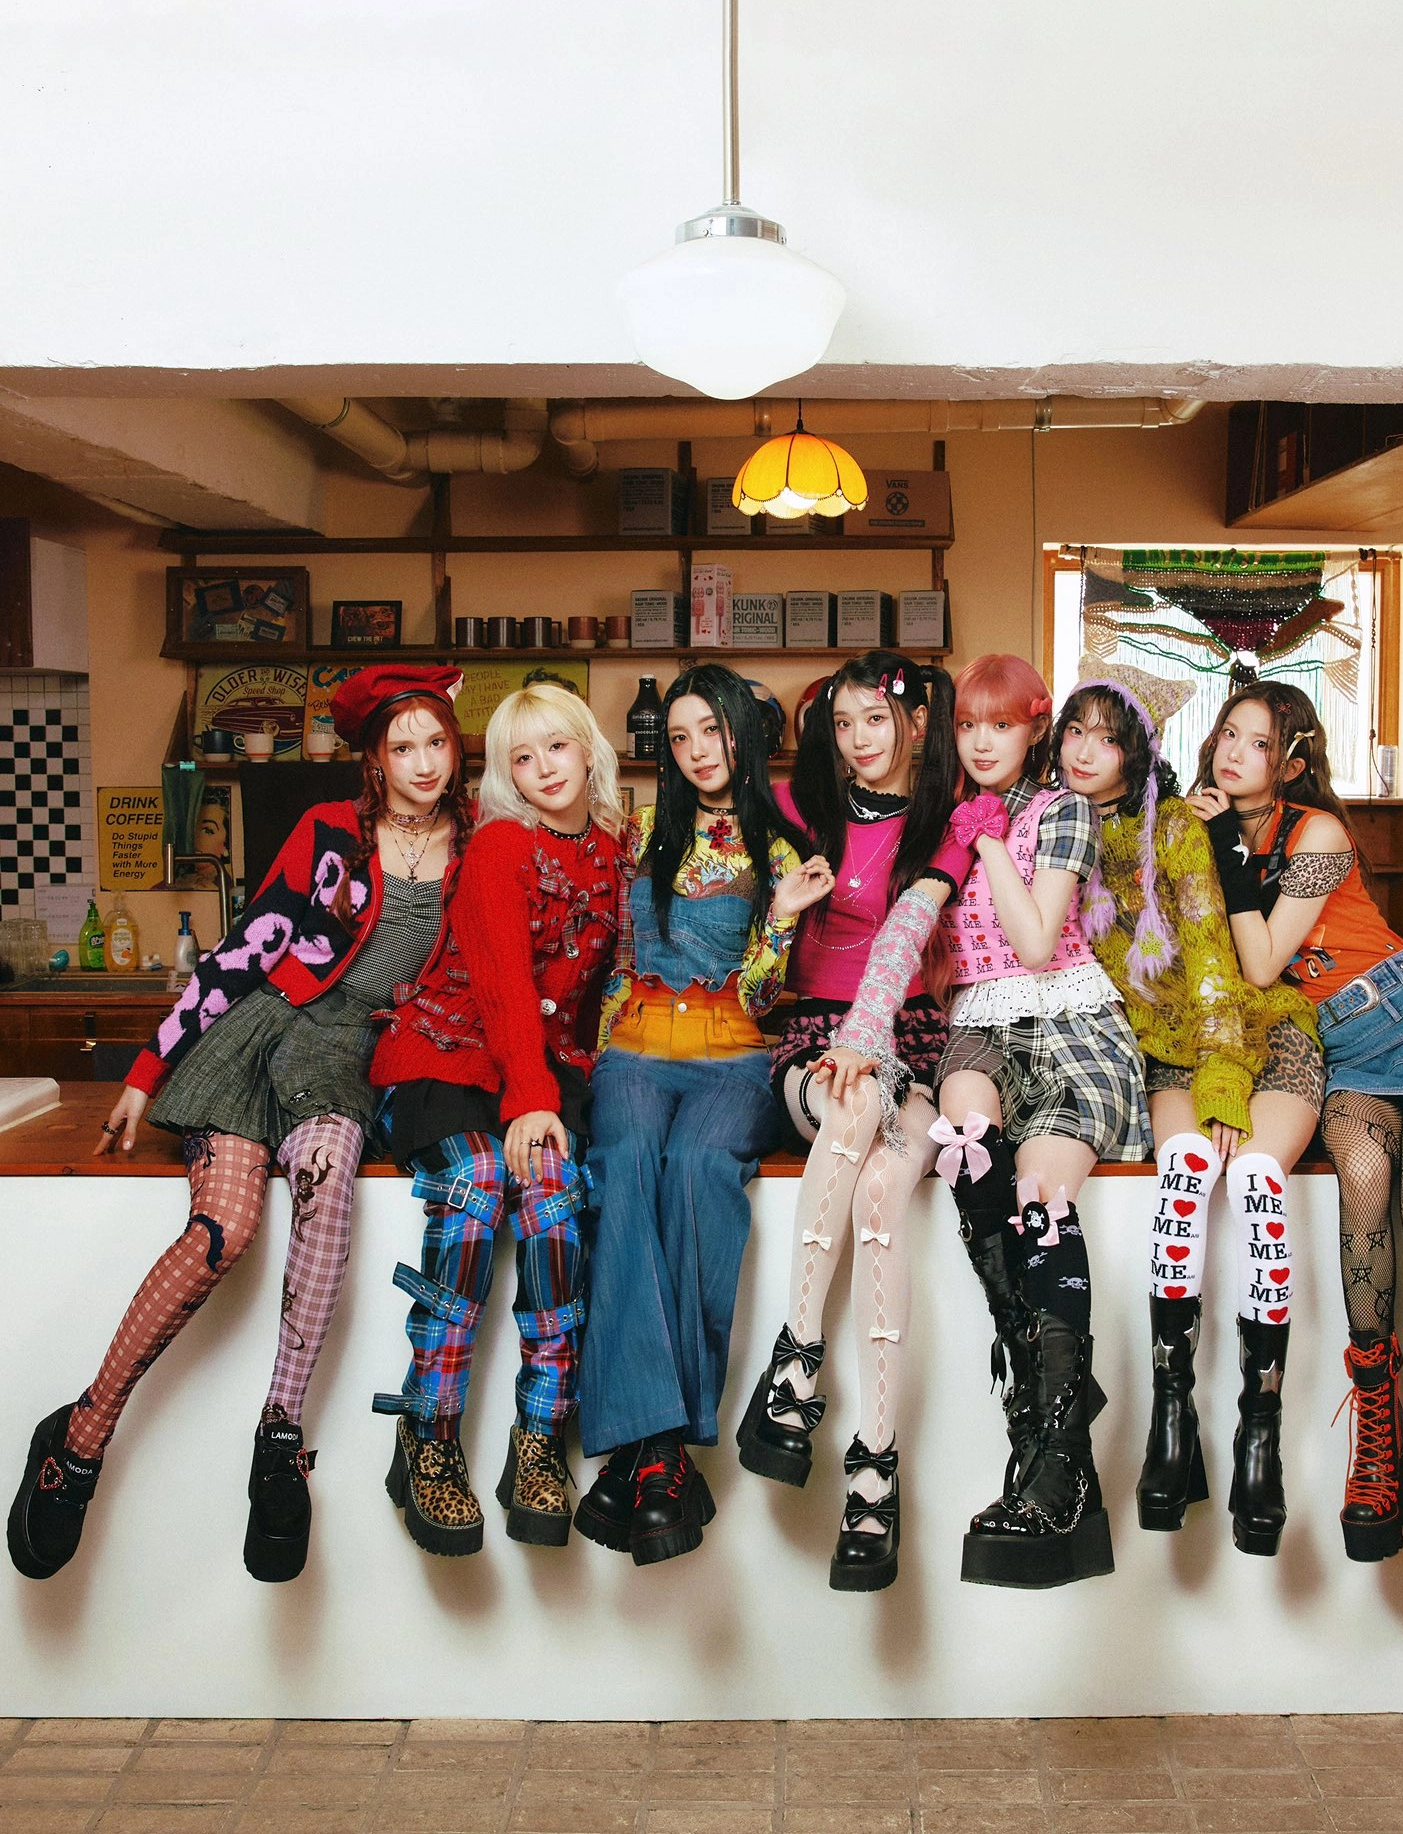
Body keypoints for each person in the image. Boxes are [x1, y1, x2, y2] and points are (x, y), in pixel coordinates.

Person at [7, 665, 468, 1584]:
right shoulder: (330, 830)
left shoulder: (479, 841)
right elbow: (244, 948)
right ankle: (82, 1432)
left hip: (349, 1058)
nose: (422, 762)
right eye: (402, 746)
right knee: (224, 1229)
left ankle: (279, 1440)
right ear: (375, 758)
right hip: (258, 1034)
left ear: (457, 749)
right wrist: (147, 1068)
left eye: (436, 742)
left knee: (329, 1186)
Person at [1192, 680, 1403, 1605]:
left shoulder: (1318, 833)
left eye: (1259, 743)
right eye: (1228, 734)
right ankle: (1378, 1430)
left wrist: (1222, 846)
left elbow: (1262, 961)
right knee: (1363, 1184)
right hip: (1344, 1053)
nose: (1234, 752)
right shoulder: (1206, 834)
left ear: (1292, 763)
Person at [1054, 664, 1323, 1556]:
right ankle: (1173, 1420)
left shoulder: (1173, 825)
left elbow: (1213, 956)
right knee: (1184, 1175)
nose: (1085, 751)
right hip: (1158, 1051)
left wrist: (1222, 1080)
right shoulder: (1056, 825)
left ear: (1138, 753)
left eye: (1108, 736)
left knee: (1255, 1185)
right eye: (1074, 731)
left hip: (1247, 1032)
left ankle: (1260, 1435)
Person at [575, 664, 830, 1567]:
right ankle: (663, 1453)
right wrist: (597, 1060)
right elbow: (617, 958)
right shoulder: (640, 830)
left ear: (742, 734)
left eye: (710, 732)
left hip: (730, 1051)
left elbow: (760, 996)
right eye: (678, 737)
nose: (695, 751)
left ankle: (643, 1450)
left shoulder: (781, 845)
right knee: (625, 1163)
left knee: (696, 1174)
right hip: (636, 1045)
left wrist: (783, 919)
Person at [735, 648, 970, 1593]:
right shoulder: (798, 813)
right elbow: (754, 976)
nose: (858, 740)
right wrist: (780, 914)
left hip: (915, 1038)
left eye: (875, 719)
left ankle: (875, 1462)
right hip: (816, 1040)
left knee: (885, 1189)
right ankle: (797, 1354)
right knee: (856, 1098)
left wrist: (879, 1040)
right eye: (841, 724)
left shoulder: (952, 817)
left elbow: (928, 932)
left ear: (915, 722)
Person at [370, 685, 624, 1557]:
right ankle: (428, 1432)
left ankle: (539, 1436)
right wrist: (532, 1099)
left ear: (587, 748)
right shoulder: (499, 847)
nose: (543, 768)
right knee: (478, 1182)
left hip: (540, 1071)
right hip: (446, 1056)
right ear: (506, 775)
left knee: (553, 1192)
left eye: (556, 746)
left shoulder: (611, 850)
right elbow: (505, 985)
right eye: (522, 757)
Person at [919, 654, 1148, 1591]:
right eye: (969, 724)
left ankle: (1052, 1448)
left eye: (1002, 725)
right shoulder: (940, 812)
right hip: (979, 1027)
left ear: (1033, 731)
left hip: (1067, 1022)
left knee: (1042, 1198)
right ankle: (1050, 1412)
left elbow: (1036, 940)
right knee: (967, 1155)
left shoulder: (1062, 811)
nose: (982, 742)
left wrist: (984, 844)